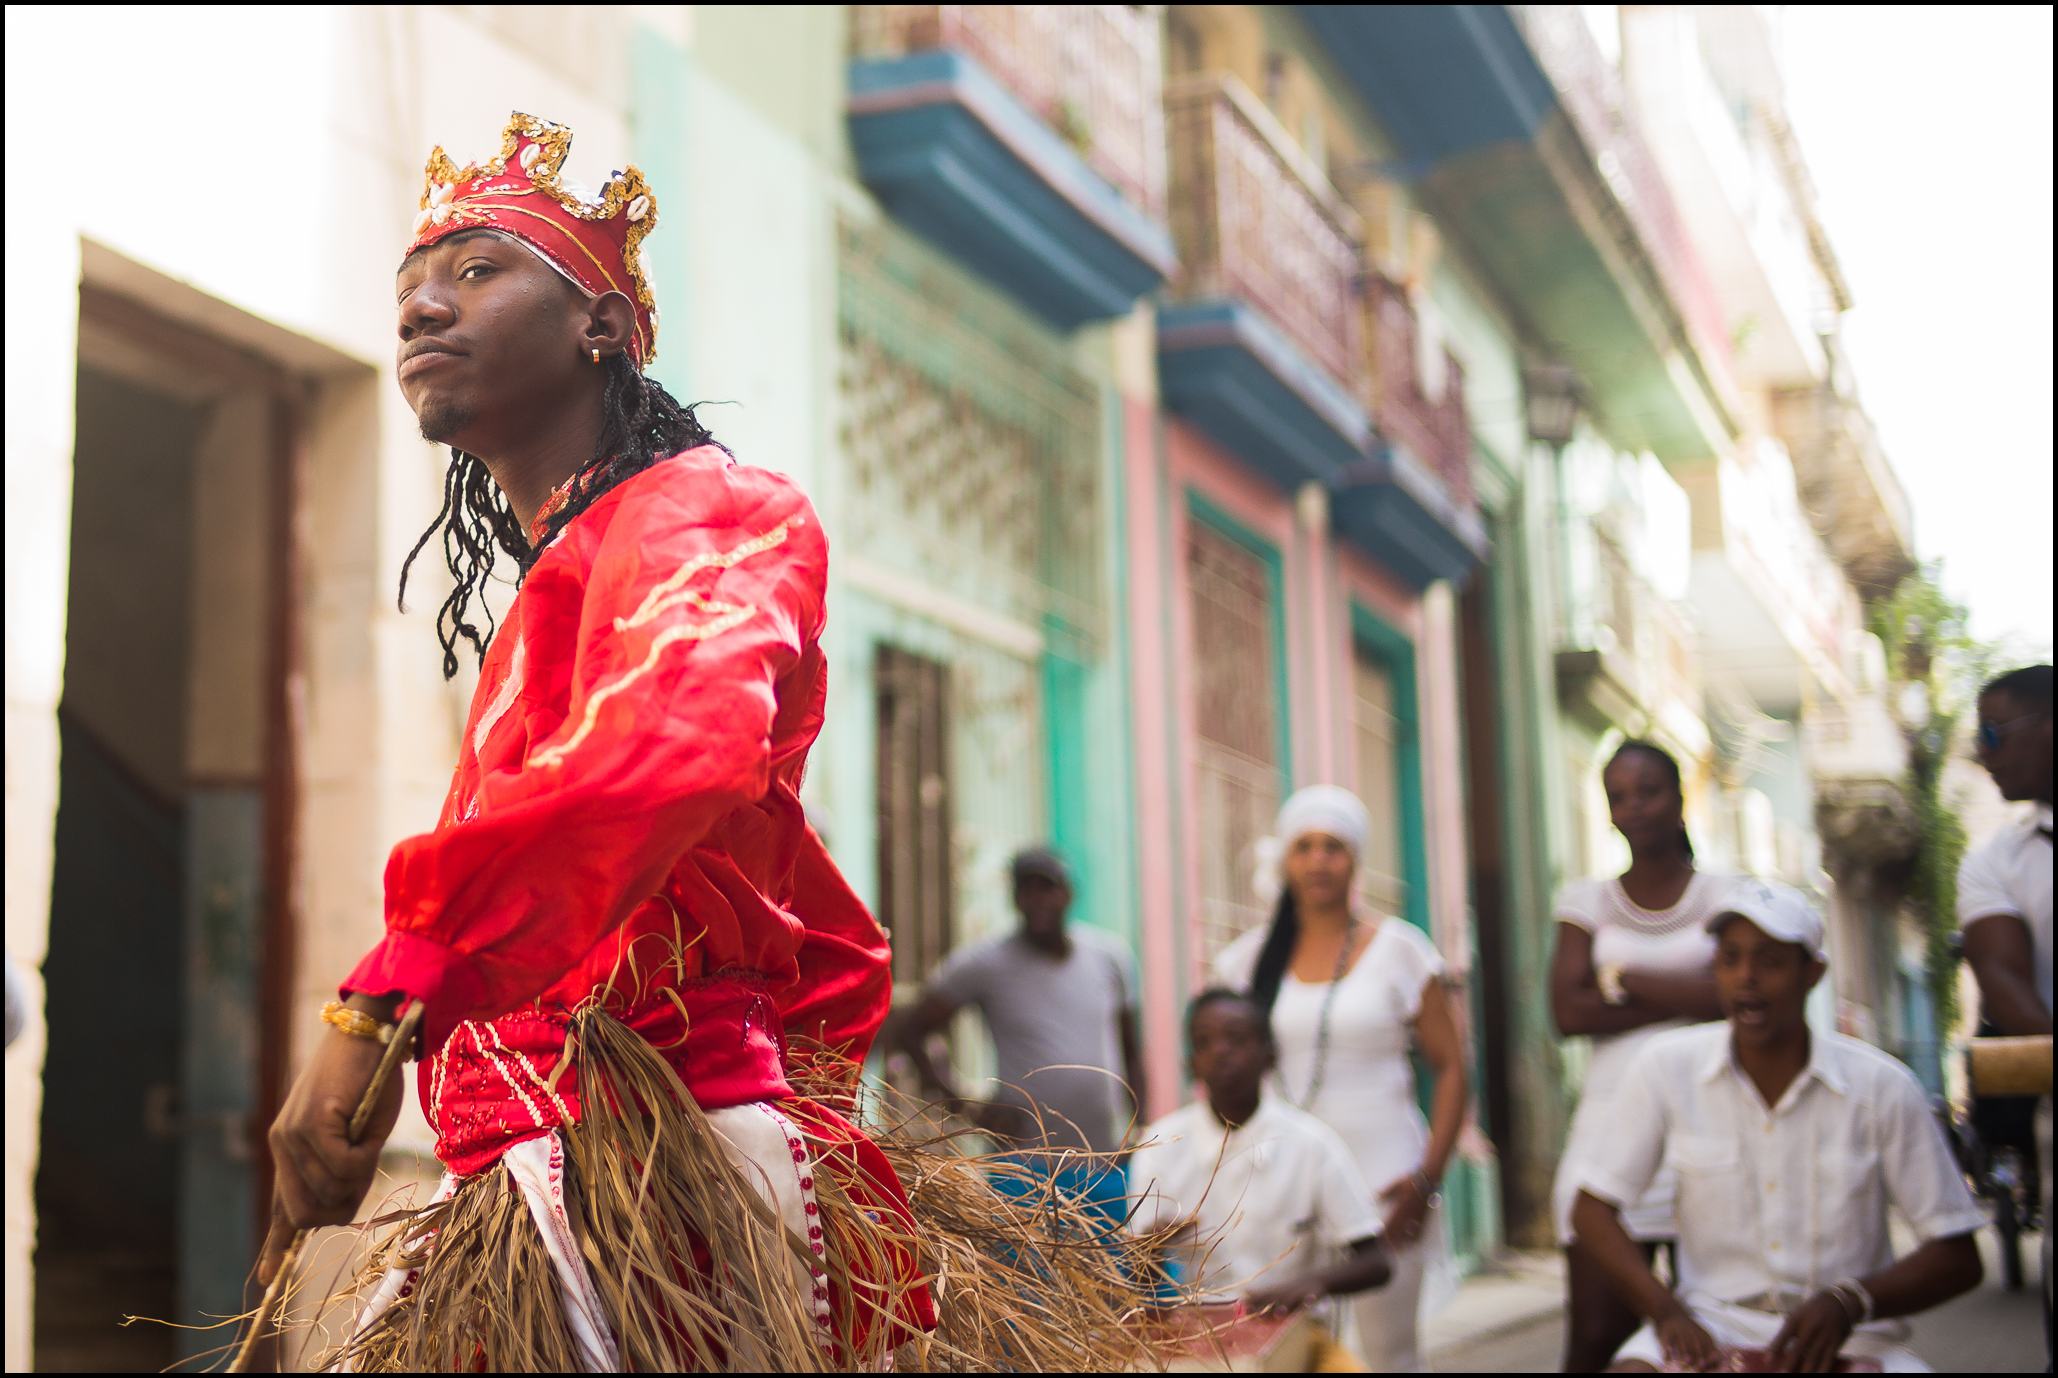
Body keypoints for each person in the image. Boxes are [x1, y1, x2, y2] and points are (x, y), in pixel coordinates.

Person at [257, 111, 953, 1370]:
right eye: (410, 285)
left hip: (657, 1218)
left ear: (606, 330)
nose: (422, 308)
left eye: (477, 271)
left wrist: (390, 991)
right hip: (571, 1193)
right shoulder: (563, 582)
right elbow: (825, 930)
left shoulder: (709, 513)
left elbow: (674, 747)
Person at [1572, 880, 1987, 1373]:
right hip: (1714, 1327)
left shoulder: (1883, 1087)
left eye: (1769, 961)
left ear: (1812, 974)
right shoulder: (1665, 1068)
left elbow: (1959, 1257)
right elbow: (1591, 1211)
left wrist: (1850, 1301)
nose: (1746, 977)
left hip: (1853, 1341)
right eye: (1730, 959)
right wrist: (1666, 1311)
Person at [1213, 784, 1468, 1372]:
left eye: (1334, 846)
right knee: (1285, 1354)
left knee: (1390, 1354)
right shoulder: (1247, 961)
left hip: (1387, 1179)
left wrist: (1426, 1180)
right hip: (1280, 1183)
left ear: (1356, 858)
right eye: (1304, 846)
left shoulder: (1403, 950)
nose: (1318, 861)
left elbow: (1453, 1068)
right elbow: (1222, 1076)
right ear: (1285, 859)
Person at [1550, 739, 1734, 1371]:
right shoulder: (1585, 902)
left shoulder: (1723, 895)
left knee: (1715, 1331)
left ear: (1680, 798)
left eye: (1648, 791)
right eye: (1618, 796)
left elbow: (1741, 996)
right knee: (1596, 1336)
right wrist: (1694, 998)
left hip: (1707, 1120)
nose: (1634, 808)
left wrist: (1626, 980)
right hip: (1610, 1126)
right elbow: (1567, 1013)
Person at [1128, 988, 1391, 1371]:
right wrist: (1152, 1248)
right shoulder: (1160, 1146)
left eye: (1236, 1038)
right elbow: (1141, 1283)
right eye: (1204, 1042)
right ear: (1191, 1064)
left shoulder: (1312, 1145)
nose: (1220, 1051)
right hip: (1198, 1340)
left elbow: (1378, 1260)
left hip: (1296, 1335)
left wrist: (1312, 1283)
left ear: (1269, 1055)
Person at [892, 846, 1146, 1224]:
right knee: (1028, 1278)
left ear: (1068, 893)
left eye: (1047, 888)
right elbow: (912, 1029)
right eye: (1026, 890)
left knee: (1106, 1274)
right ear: (1015, 898)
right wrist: (962, 1103)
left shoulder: (1110, 957)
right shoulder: (985, 964)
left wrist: (1141, 1129)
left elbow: (1132, 1051)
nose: (1037, 900)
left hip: (1102, 1163)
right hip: (1023, 1169)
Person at [1956, 663, 2052, 1350]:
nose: (1982, 752)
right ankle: (2008, 1173)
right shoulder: (1997, 861)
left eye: (1994, 732)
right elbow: (2006, 985)